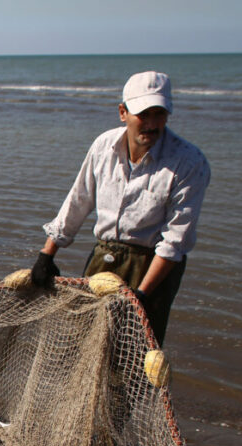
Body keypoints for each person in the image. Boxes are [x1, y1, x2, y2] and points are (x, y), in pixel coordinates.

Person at [30, 71, 210, 346]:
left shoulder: (189, 162)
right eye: (143, 114)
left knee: (133, 350)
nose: (151, 124)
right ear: (123, 112)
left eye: (159, 114)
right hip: (105, 255)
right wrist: (47, 254)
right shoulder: (104, 146)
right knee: (86, 339)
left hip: (153, 264)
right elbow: (79, 200)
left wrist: (143, 295)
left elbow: (175, 242)